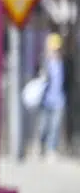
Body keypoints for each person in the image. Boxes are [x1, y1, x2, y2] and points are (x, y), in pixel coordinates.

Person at [33, 32, 67, 160]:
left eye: (57, 49)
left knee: (55, 127)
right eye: (53, 49)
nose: (55, 52)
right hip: (46, 100)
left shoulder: (64, 63)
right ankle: (40, 147)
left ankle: (51, 150)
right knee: (43, 126)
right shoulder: (44, 62)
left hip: (59, 100)